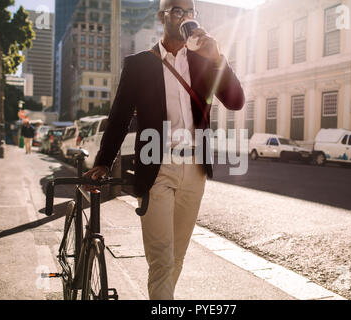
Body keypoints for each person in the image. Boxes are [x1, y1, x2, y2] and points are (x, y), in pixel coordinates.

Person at [83, 0, 244, 300]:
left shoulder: (203, 62)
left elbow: (235, 101)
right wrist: (104, 161)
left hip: (195, 170)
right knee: (161, 260)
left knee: (177, 258)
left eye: (191, 12)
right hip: (156, 168)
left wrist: (218, 58)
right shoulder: (139, 64)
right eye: (178, 11)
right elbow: (119, 116)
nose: (186, 18)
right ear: (162, 17)